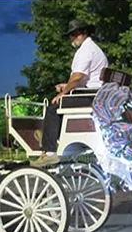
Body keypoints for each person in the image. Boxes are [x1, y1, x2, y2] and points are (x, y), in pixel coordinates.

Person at [31, 19, 108, 167]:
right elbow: (84, 79)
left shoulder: (85, 51)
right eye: (71, 35)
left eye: (75, 34)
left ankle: (49, 152)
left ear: (84, 33)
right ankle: (49, 137)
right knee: (58, 103)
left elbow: (77, 76)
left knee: (53, 106)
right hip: (94, 94)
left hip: (89, 96)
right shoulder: (93, 48)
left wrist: (64, 93)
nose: (72, 37)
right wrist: (67, 86)